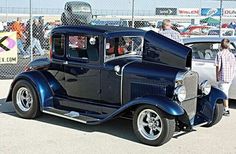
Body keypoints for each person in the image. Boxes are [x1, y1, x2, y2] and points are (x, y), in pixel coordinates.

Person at [215, 38, 236, 116]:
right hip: (229, 77)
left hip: (222, 77)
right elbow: (233, 66)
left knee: (224, 93)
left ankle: (226, 109)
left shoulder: (219, 54)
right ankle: (222, 108)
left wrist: (217, 76)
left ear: (221, 45)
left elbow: (218, 66)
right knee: (225, 91)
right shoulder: (231, 55)